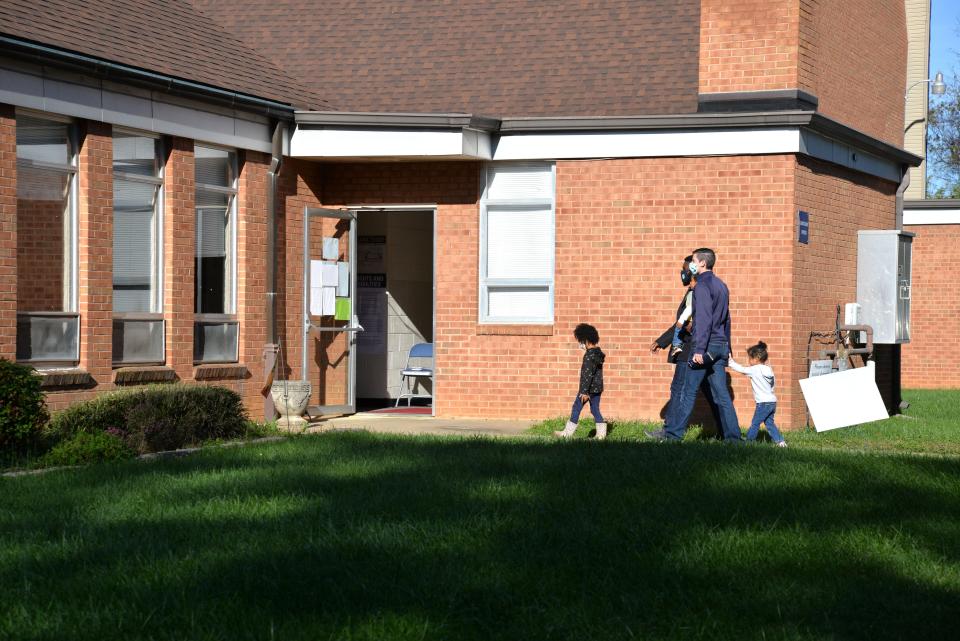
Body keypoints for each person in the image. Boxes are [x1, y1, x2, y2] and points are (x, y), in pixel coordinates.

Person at [664, 247, 741, 442]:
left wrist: (699, 350)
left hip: (705, 347)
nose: (692, 265)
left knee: (687, 392)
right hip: (720, 346)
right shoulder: (722, 286)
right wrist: (728, 348)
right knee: (723, 396)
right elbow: (727, 320)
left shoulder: (701, 287)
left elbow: (704, 321)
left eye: (694, 261)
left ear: (702, 264)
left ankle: (673, 435)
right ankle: (733, 438)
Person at [646, 257, 722, 440]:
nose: (682, 274)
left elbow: (693, 323)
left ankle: (670, 431)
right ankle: (726, 433)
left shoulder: (698, 292)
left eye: (684, 270)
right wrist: (662, 341)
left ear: (692, 271)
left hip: (690, 350)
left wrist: (665, 339)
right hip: (697, 350)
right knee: (714, 393)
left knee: (679, 389)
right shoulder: (696, 291)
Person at [554, 323, 608, 440]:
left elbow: (587, 375)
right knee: (595, 409)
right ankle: (601, 435)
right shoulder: (598, 354)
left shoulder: (589, 356)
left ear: (586, 340)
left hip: (587, 390)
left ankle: (567, 433)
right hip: (597, 388)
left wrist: (584, 392)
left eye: (581, 341)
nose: (581, 344)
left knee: (576, 407)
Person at [729, 341, 786, 447]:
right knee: (769, 423)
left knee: (755, 423)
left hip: (763, 403)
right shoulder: (769, 369)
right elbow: (772, 384)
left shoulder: (755, 369)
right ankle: (780, 442)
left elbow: (742, 369)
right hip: (772, 401)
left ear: (756, 358)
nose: (749, 361)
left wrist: (730, 362)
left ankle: (749, 442)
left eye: (750, 358)